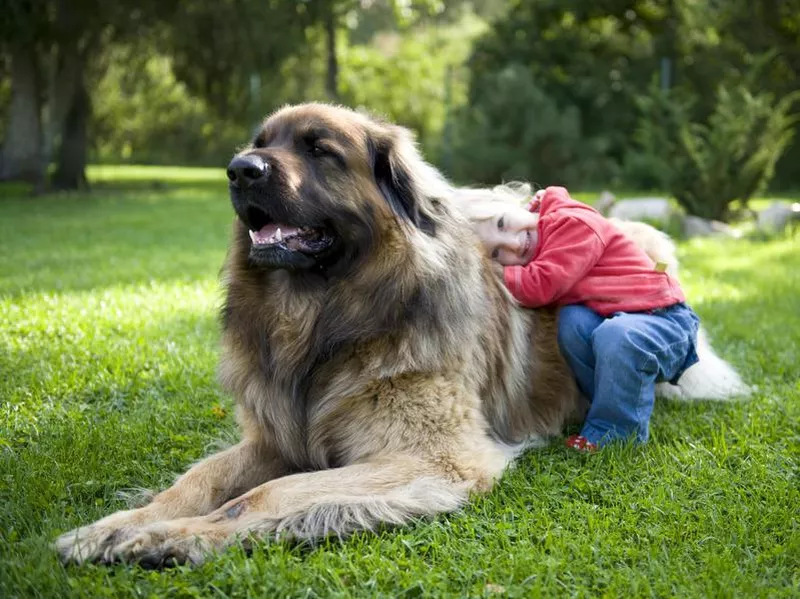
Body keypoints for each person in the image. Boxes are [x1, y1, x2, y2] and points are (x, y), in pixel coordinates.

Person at [458, 185, 700, 452]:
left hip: (664, 319)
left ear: (512, 202)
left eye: (502, 224)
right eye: (497, 253)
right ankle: (610, 401)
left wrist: (496, 273)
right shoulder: (546, 234)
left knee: (617, 336)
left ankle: (617, 432)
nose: (514, 243)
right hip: (625, 318)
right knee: (573, 322)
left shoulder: (572, 224)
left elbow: (542, 284)